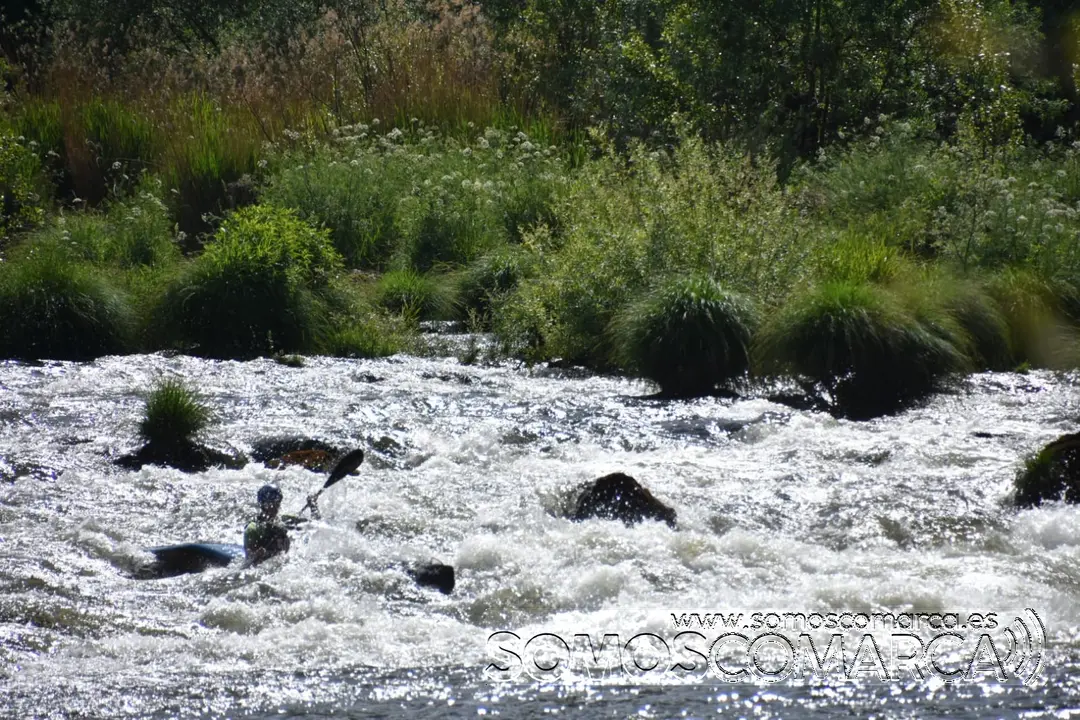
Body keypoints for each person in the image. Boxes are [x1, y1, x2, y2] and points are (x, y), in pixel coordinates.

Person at [244, 484, 320, 564]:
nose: (276, 507)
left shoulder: (285, 520)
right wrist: (257, 555)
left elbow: (315, 525)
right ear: (263, 504)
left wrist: (313, 506)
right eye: (272, 503)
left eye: (278, 503)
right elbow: (248, 560)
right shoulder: (253, 529)